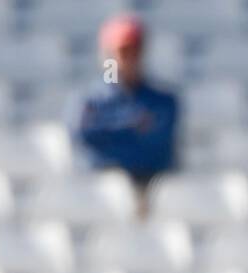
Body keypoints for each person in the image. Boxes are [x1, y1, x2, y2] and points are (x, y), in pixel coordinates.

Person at [68, 14, 178, 194]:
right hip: (99, 188)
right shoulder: (89, 100)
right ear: (108, 54)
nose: (130, 58)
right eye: (123, 51)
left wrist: (106, 132)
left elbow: (158, 147)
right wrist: (133, 127)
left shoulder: (164, 101)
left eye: (136, 50)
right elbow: (83, 141)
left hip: (149, 187)